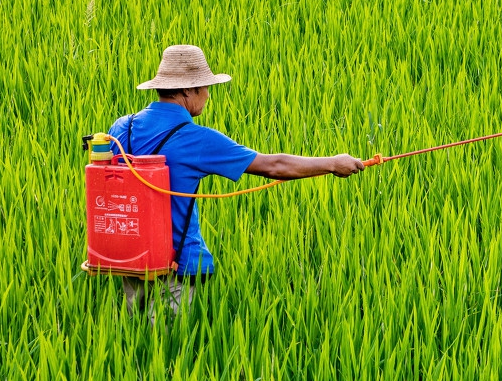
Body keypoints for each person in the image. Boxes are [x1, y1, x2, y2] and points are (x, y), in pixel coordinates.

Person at [109, 44, 365, 318]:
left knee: (136, 337)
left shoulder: (122, 126)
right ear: (187, 90)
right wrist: (333, 163)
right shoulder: (195, 138)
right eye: (205, 87)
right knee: (169, 349)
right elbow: (273, 166)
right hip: (175, 267)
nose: (208, 95)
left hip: (129, 257)